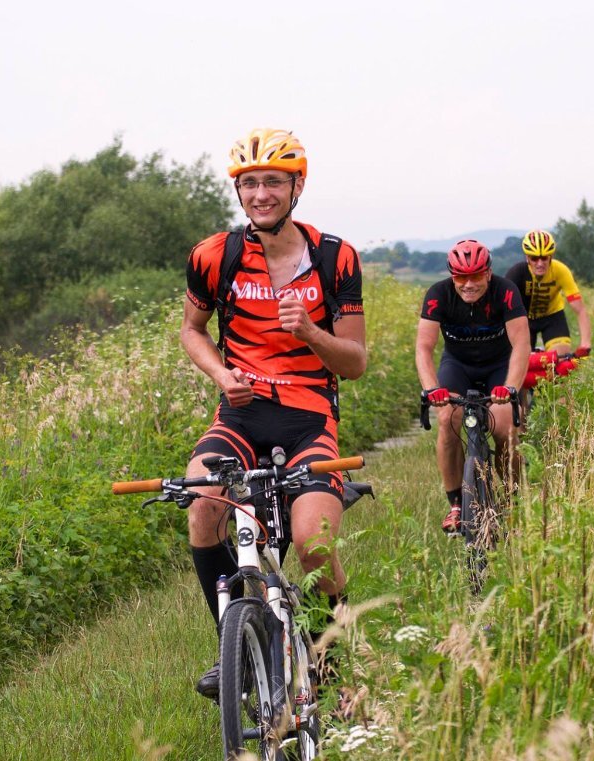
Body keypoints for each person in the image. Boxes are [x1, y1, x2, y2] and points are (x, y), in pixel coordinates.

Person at [180, 128, 367, 699]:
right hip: (240, 418)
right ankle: (232, 647)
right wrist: (222, 376)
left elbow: (355, 362)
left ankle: (332, 659)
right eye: (250, 184)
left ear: (296, 187)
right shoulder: (215, 256)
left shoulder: (334, 257)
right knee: (202, 504)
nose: (260, 194)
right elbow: (192, 331)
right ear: (239, 191)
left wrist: (310, 332)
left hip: (310, 421)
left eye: (273, 183)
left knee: (313, 544)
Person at [415, 239, 530, 534]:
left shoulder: (506, 291)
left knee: (505, 427)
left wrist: (510, 387)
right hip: (458, 366)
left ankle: (513, 499)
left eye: (476, 275)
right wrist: (431, 388)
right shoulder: (438, 295)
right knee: (448, 419)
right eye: (461, 277)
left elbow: (521, 345)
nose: (468, 284)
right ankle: (456, 503)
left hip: (499, 366)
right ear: (452, 276)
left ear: (488, 273)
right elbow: (424, 348)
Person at [504, 229, 592, 358]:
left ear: (551, 256)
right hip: (524, 320)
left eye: (544, 258)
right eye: (534, 258)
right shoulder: (516, 273)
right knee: (519, 359)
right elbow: (503, 309)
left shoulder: (561, 270)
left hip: (552, 317)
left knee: (560, 359)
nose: (540, 263)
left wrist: (585, 343)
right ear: (527, 258)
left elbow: (580, 309)